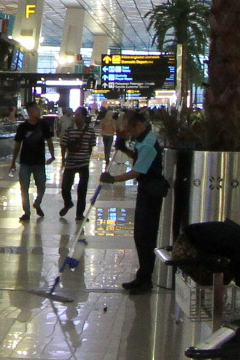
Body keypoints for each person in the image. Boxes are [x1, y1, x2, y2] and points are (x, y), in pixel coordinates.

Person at [100, 109, 167, 291]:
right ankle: (142, 276)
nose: (130, 134)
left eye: (130, 130)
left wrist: (113, 179)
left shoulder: (148, 144)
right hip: (146, 190)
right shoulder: (144, 139)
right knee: (140, 235)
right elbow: (139, 160)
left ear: (138, 125)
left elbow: (137, 171)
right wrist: (125, 150)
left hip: (151, 193)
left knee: (145, 236)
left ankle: (145, 279)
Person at [57, 107, 96, 223]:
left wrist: (86, 157)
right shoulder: (70, 130)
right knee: (65, 188)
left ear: (84, 117)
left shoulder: (90, 131)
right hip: (70, 163)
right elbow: (63, 144)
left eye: (78, 115)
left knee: (82, 190)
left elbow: (91, 146)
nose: (76, 117)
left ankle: (80, 214)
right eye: (75, 115)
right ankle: (68, 203)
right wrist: (63, 159)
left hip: (83, 163)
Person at [12, 104, 49, 220]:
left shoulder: (43, 125)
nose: (39, 111)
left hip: (39, 162)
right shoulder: (23, 127)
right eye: (37, 110)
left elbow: (49, 140)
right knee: (24, 187)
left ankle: (37, 202)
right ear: (30, 112)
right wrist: (13, 161)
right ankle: (26, 212)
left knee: (41, 186)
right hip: (25, 162)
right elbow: (18, 144)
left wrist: (53, 155)